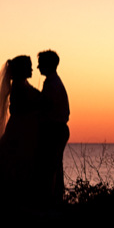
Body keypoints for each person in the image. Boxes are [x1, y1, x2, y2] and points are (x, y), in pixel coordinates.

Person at [0, 55, 40, 200]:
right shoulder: (19, 87)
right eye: (29, 66)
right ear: (22, 69)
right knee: (14, 160)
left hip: (24, 129)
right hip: (20, 130)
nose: (32, 69)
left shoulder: (22, 84)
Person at [36, 50, 69, 204]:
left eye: (40, 64)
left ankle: (51, 200)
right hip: (56, 129)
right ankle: (54, 199)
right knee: (53, 166)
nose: (37, 67)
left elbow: (47, 107)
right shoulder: (53, 82)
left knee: (50, 167)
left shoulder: (53, 84)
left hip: (54, 130)